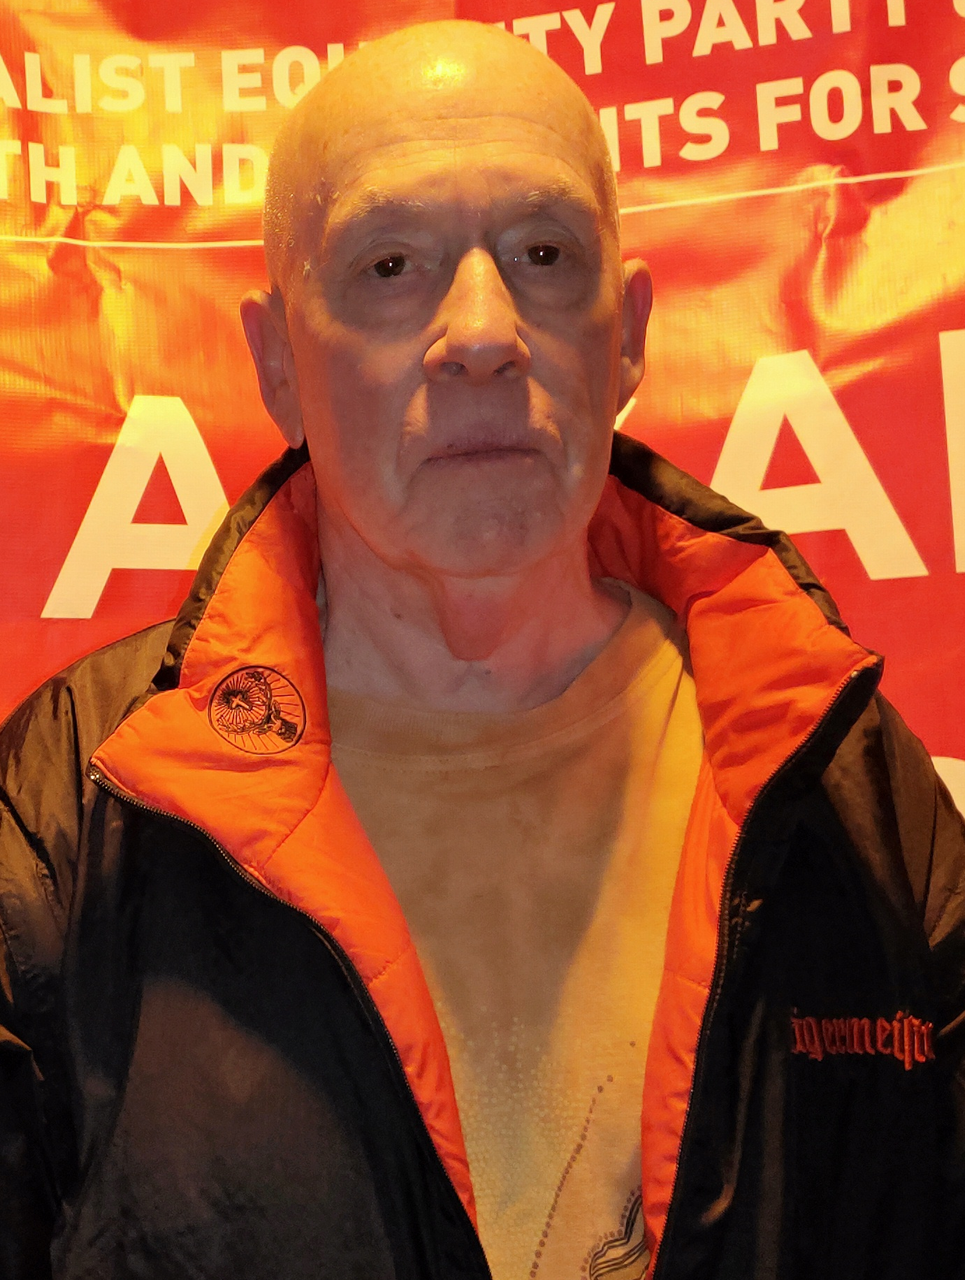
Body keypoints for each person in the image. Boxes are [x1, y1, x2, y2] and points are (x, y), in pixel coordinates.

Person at [1, 19, 963, 1280]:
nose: (480, 330)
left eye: (542, 252)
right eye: (390, 263)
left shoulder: (834, 767)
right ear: (277, 361)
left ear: (626, 331)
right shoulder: (84, 803)